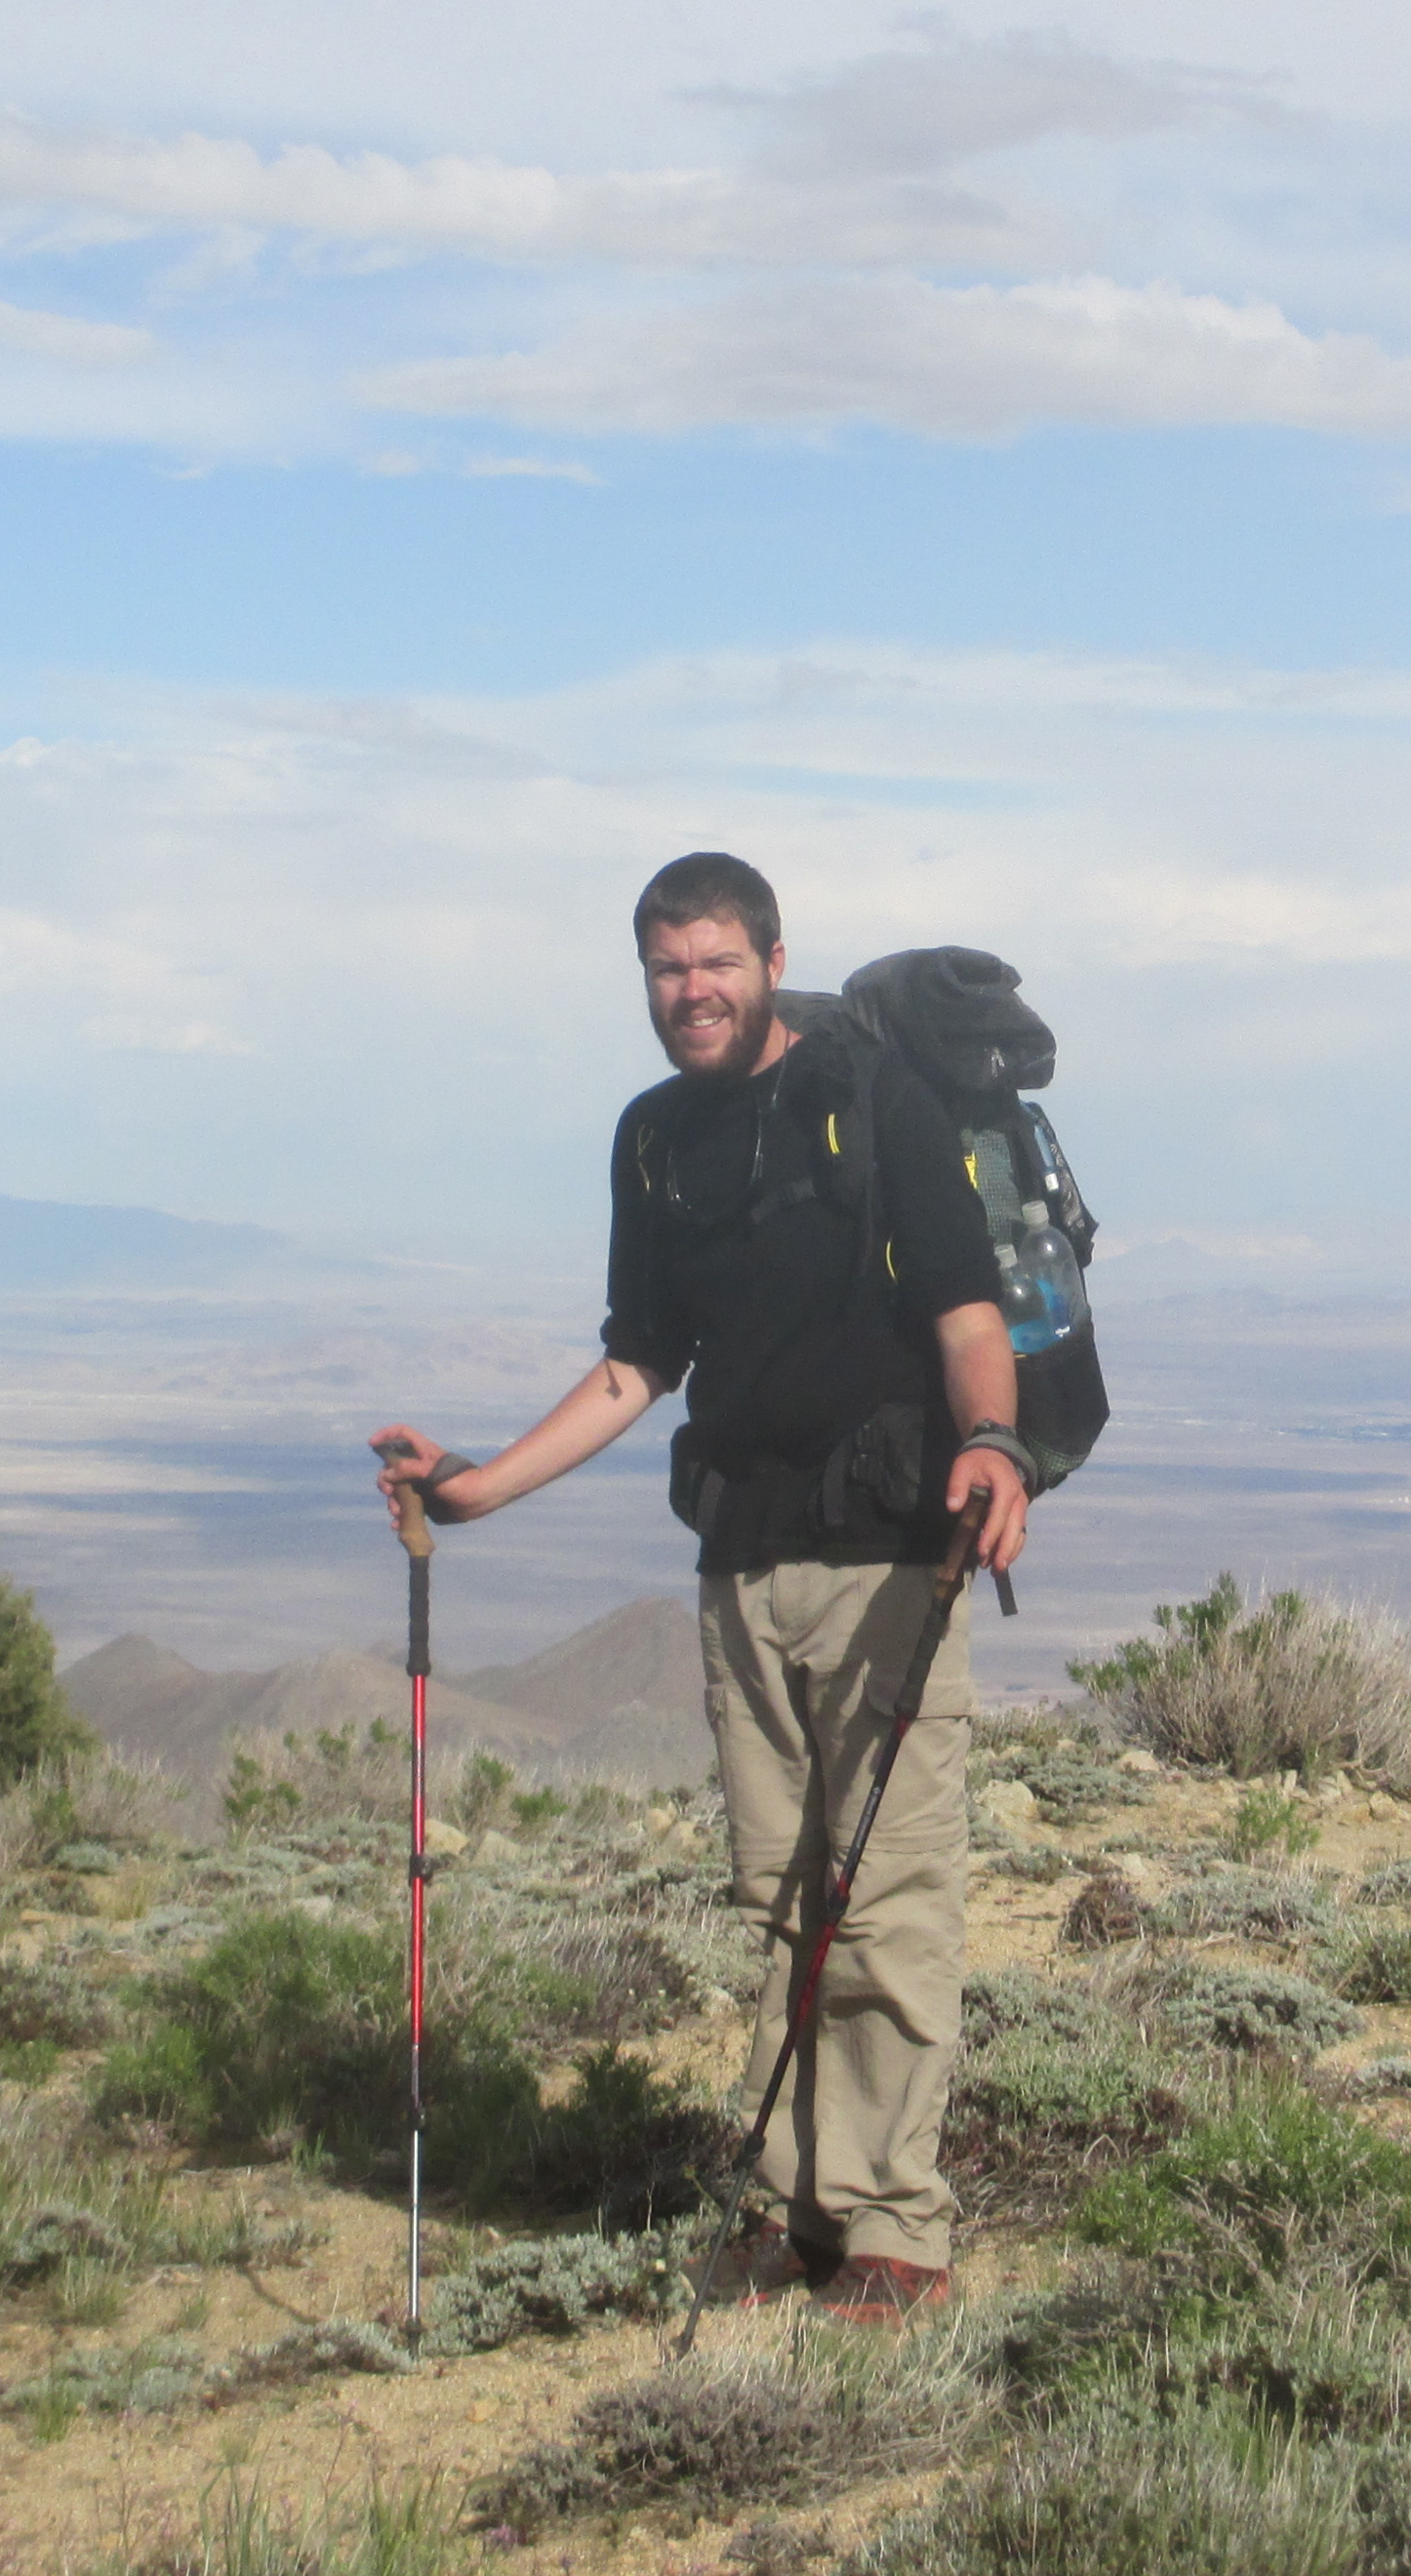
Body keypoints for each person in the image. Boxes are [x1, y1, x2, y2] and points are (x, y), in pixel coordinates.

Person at [376, 849, 1035, 2321]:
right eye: (669, 969)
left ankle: (895, 2231)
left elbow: (966, 1313)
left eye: (718, 962)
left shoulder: (874, 1099)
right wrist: (478, 1488)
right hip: (741, 1559)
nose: (694, 991)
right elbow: (638, 1363)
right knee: (785, 1897)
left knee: (888, 1895)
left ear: (773, 962)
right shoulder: (654, 1141)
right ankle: (795, 2203)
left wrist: (992, 1443)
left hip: (889, 1557)